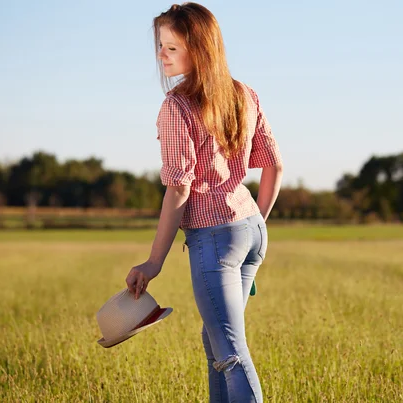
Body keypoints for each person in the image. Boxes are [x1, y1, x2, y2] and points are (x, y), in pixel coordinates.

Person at [125, 3, 283, 402]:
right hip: (251, 232)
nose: (162, 55)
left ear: (199, 49)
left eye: (172, 48)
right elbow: (275, 166)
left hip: (214, 239)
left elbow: (179, 188)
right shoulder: (245, 95)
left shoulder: (176, 107)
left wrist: (154, 262)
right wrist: (255, 224)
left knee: (230, 353)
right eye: (160, 46)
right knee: (216, 343)